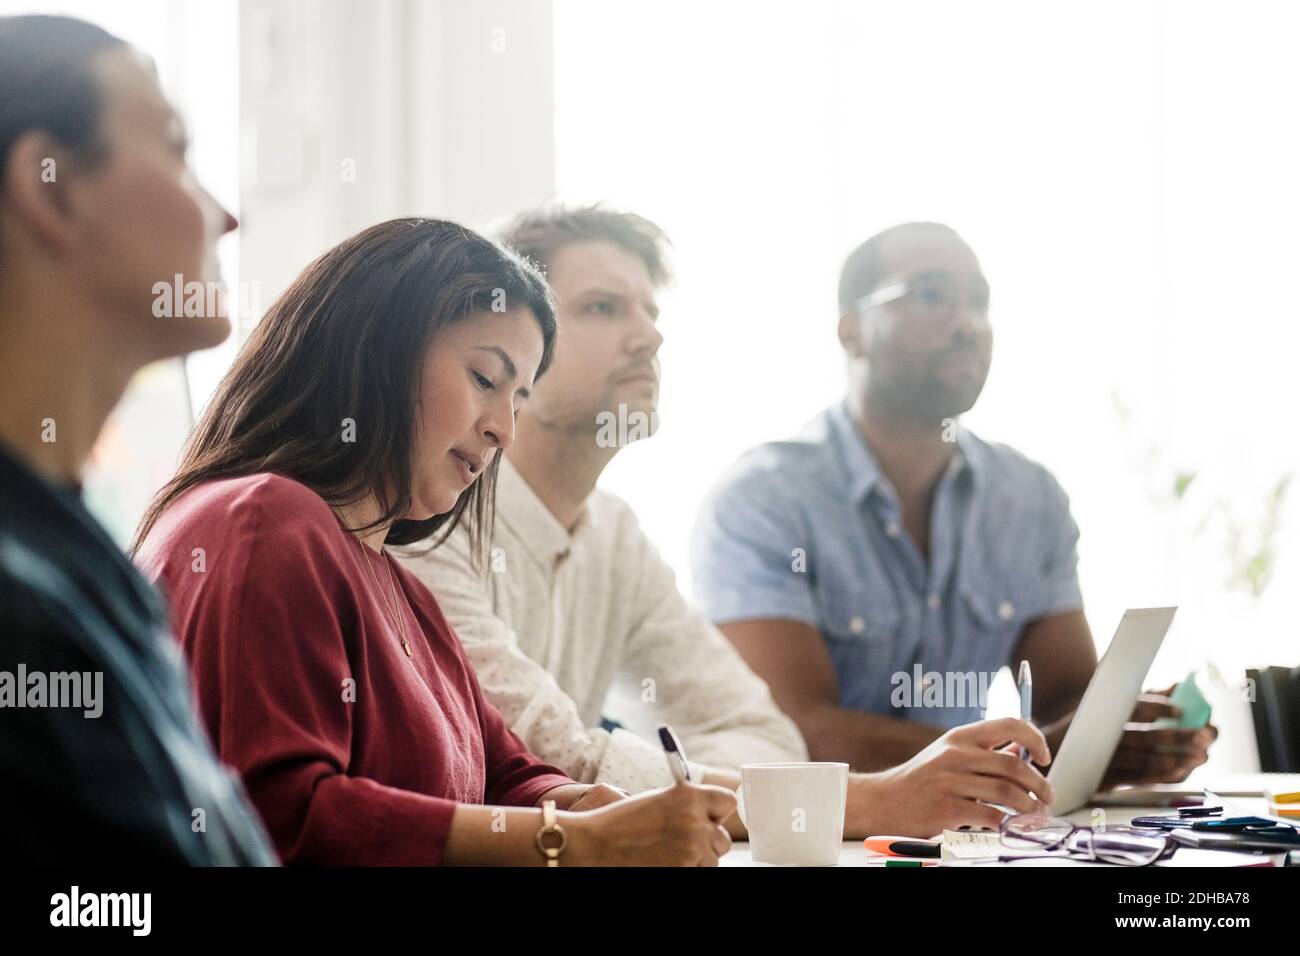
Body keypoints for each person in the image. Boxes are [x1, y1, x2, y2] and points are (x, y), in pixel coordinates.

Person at [402, 206, 1056, 838]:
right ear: (517, 341)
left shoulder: (616, 534)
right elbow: (555, 763)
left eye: (650, 311)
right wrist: (865, 802)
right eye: (603, 307)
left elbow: (766, 733)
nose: (651, 336)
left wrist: (679, 784)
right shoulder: (426, 520)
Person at [133, 217, 737, 865]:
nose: (503, 429)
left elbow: (507, 773)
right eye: (485, 379)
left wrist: (585, 805)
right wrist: (575, 841)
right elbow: (285, 817)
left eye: (520, 399)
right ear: (376, 348)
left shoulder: (401, 589)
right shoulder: (266, 521)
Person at [691, 221, 1215, 788]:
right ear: (852, 332)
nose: (967, 324)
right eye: (932, 295)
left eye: (979, 302)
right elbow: (795, 733)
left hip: (969, 834)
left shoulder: (1028, 497)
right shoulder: (762, 500)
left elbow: (1066, 700)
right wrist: (1028, 756)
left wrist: (1122, 731)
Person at [0, 14, 275, 864]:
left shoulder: (77, 561)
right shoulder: (21, 606)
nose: (225, 216)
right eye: (176, 148)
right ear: (52, 188)